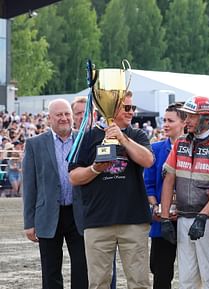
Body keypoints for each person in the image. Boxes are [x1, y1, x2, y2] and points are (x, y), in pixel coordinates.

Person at [69, 92, 154, 289]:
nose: (131, 112)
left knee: (139, 282)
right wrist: (94, 169)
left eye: (133, 108)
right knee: (98, 283)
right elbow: (73, 176)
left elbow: (148, 160)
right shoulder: (88, 136)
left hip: (133, 220)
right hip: (97, 220)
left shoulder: (137, 135)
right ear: (110, 108)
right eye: (127, 108)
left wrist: (122, 139)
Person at [159, 96, 209, 289]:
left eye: (191, 116)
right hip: (183, 219)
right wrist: (166, 218)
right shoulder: (180, 143)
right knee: (186, 280)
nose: (186, 120)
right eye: (185, 115)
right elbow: (168, 180)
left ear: (207, 120)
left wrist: (203, 216)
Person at [22, 98, 88, 289]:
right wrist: (29, 222)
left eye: (67, 113)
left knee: (82, 269)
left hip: (79, 215)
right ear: (49, 118)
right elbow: (30, 185)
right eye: (59, 114)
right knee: (50, 272)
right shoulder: (35, 144)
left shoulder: (84, 140)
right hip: (48, 214)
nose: (64, 118)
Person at [70, 96, 117, 289]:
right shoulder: (75, 141)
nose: (82, 117)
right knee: (80, 267)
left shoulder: (106, 135)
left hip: (101, 212)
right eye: (78, 113)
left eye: (86, 112)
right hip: (69, 212)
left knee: (106, 267)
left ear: (95, 114)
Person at [144, 103, 186, 289]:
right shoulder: (156, 149)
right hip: (162, 220)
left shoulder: (197, 149)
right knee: (160, 271)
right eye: (164, 120)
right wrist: (156, 207)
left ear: (184, 122)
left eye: (170, 120)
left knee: (191, 271)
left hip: (189, 219)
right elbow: (149, 185)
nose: (165, 124)